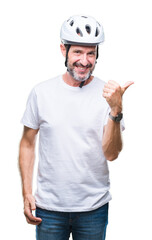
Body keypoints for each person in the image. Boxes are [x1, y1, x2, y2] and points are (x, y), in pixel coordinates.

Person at [19, 15, 133, 240]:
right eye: (78, 52)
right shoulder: (41, 93)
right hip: (49, 208)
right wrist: (26, 192)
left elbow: (111, 154)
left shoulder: (108, 95)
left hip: (93, 209)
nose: (85, 60)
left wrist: (116, 111)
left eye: (91, 53)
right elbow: (27, 143)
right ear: (64, 50)